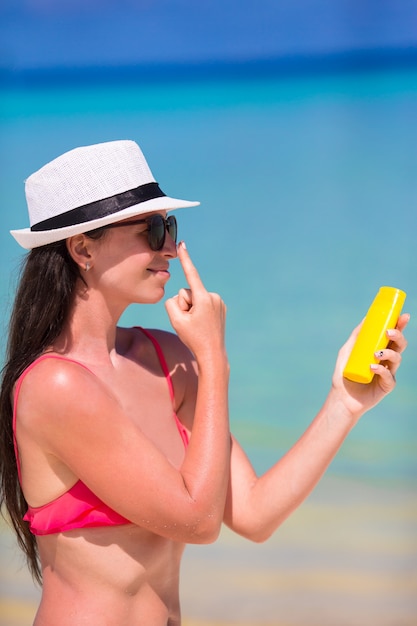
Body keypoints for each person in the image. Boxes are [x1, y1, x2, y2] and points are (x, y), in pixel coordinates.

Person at [0, 139, 408, 626]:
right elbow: (197, 521)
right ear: (82, 248)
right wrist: (213, 358)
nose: (170, 248)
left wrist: (343, 404)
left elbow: (253, 514)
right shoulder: (56, 387)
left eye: (170, 227)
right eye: (153, 230)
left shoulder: (164, 359)